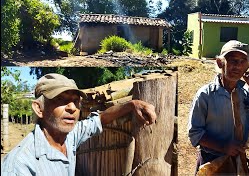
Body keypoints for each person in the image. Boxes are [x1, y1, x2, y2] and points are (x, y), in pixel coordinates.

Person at [1, 73, 157, 175]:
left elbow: (100, 119)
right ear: (39, 108)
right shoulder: (20, 165)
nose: (72, 108)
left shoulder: (69, 136)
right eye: (60, 100)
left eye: (75, 101)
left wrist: (132, 105)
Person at [188, 40, 249, 174]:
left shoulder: (248, 93)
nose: (238, 66)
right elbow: (195, 134)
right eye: (233, 60)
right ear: (220, 63)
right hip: (211, 162)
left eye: (242, 61)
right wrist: (223, 147)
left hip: (239, 162)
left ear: (247, 66)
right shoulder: (206, 95)